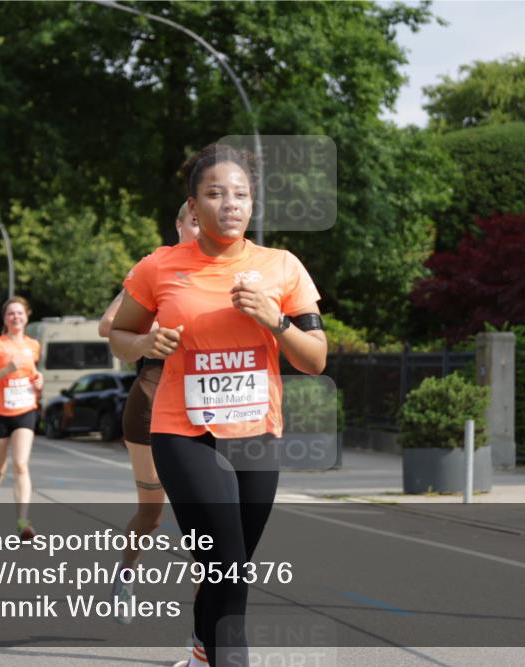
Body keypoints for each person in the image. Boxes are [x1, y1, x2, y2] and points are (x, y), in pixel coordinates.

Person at [110, 143, 327, 667]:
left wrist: (274, 320)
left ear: (252, 205)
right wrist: (144, 345)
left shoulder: (281, 266)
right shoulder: (158, 267)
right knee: (229, 567)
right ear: (193, 205)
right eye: (215, 193)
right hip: (184, 434)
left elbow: (316, 358)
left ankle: (205, 650)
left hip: (256, 435)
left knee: (226, 567)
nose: (230, 203)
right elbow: (119, 334)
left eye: (241, 194)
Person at [99, 202, 201, 623]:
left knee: (205, 520)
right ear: (178, 225)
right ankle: (126, 569)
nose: (201, 226)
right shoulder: (156, 268)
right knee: (152, 512)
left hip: (202, 402)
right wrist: (149, 334)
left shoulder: (228, 268)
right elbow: (108, 325)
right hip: (153, 396)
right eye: (193, 220)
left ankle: (204, 633)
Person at [0, 296, 44, 540]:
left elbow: (33, 374)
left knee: (21, 465)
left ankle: (23, 521)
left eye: (19, 313)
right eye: (10, 314)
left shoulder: (34, 345)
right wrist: (7, 369)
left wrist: (39, 380)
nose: (16, 317)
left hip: (25, 411)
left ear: (27, 316)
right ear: (5, 319)